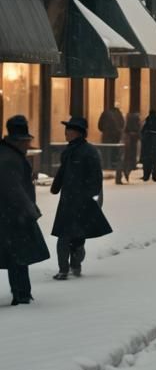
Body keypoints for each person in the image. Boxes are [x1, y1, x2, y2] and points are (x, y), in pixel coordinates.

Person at [50, 116, 112, 280]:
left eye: (69, 130)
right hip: (67, 200)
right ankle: (63, 269)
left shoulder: (89, 152)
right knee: (63, 236)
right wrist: (56, 186)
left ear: (78, 132)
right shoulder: (68, 150)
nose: (66, 133)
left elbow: (95, 178)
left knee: (77, 239)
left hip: (81, 202)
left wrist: (92, 200)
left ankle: (75, 264)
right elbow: (63, 171)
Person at [0, 116, 50, 305]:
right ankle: (21, 295)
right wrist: (28, 210)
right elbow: (14, 189)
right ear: (19, 141)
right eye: (27, 141)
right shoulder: (9, 158)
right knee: (17, 257)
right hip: (13, 216)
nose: (29, 145)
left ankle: (23, 293)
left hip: (12, 214)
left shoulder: (9, 154)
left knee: (17, 257)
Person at [116, 111, 141, 184]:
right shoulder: (134, 128)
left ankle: (122, 175)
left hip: (128, 144)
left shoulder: (127, 129)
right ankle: (124, 174)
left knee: (124, 160)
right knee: (126, 160)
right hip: (129, 144)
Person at [140, 110, 156, 182]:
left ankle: (146, 175)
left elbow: (142, 131)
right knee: (155, 160)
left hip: (147, 143)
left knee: (147, 160)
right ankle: (155, 174)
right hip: (155, 143)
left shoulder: (147, 120)